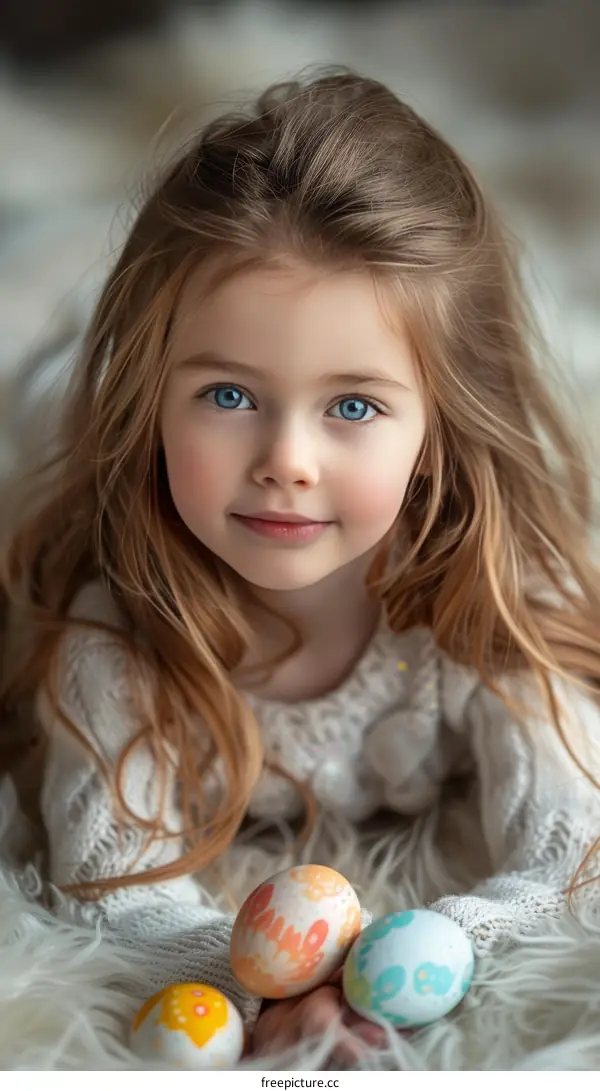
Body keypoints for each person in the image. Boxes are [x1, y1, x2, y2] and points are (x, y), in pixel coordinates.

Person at [1, 69, 599, 1067]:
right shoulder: (117, 631)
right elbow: (116, 886)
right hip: (71, 401)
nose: (288, 458)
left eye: (353, 405)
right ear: (153, 399)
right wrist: (266, 978)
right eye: (229, 394)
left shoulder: (480, 602)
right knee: (43, 396)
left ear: (440, 431)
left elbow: (575, 849)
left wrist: (411, 956)